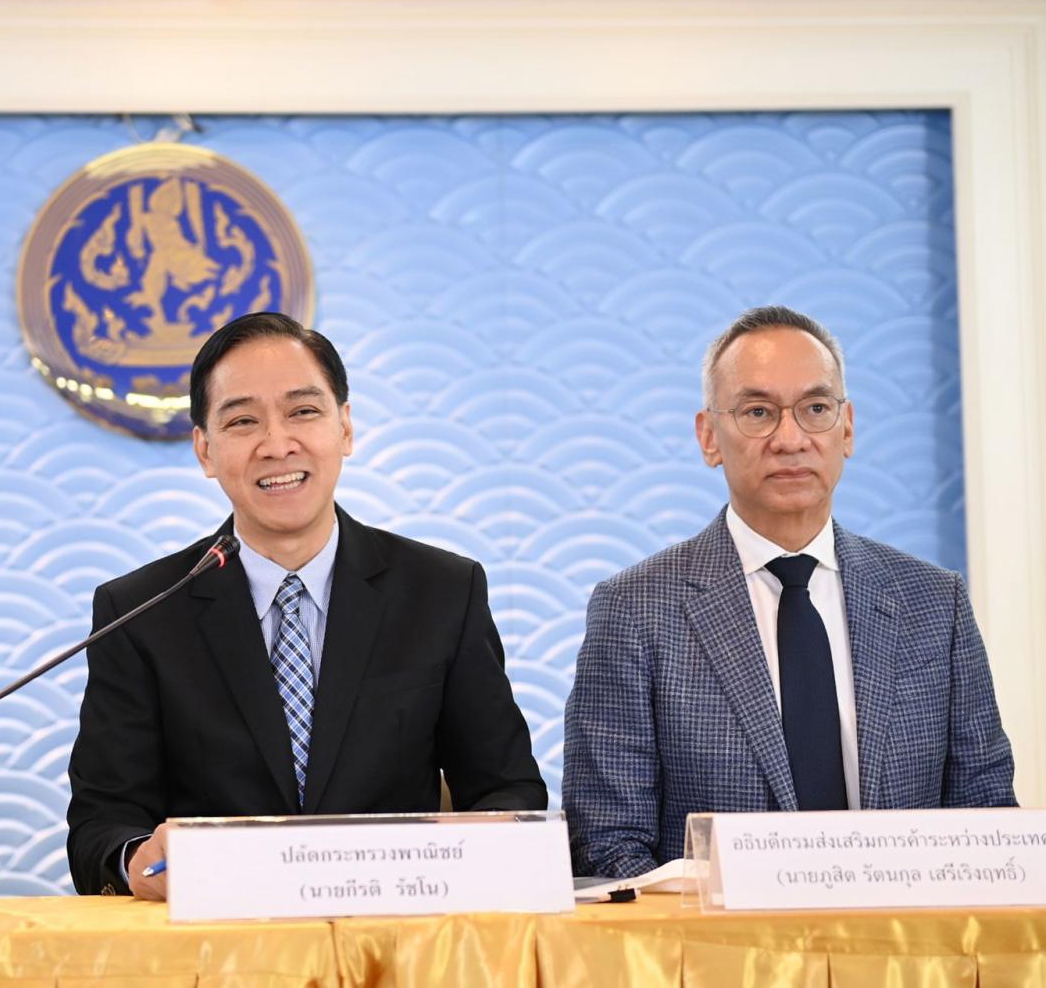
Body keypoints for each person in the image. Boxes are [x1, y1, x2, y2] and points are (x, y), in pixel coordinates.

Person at [67, 311, 548, 898]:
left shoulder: (443, 591)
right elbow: (101, 824)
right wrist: (133, 861)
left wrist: (477, 840)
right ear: (205, 450)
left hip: (397, 942)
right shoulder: (139, 611)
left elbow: (510, 790)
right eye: (243, 421)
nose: (277, 444)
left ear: (345, 427)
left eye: (303, 411)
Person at [562, 305, 1016, 878]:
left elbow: (987, 818)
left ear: (846, 428)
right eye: (758, 412)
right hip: (721, 960)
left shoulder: (934, 603)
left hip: (904, 959)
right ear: (709, 437)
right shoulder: (635, 610)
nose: (791, 438)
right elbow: (606, 843)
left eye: (816, 409)